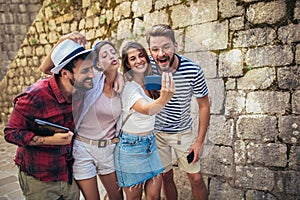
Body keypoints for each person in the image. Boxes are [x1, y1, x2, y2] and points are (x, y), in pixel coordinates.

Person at [4, 35, 95, 200]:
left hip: (67, 175)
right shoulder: (35, 95)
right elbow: (10, 133)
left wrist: (63, 41)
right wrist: (51, 140)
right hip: (39, 179)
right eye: (85, 71)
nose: (92, 75)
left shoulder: (82, 89)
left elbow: (47, 67)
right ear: (65, 73)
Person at [146, 24, 210, 200]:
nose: (161, 53)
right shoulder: (147, 67)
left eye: (166, 47)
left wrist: (199, 142)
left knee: (196, 177)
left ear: (176, 46)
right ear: (150, 51)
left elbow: (204, 105)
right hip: (156, 133)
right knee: (166, 176)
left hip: (183, 133)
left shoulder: (192, 70)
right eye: (155, 49)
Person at [114, 41, 175, 200]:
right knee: (134, 198)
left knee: (154, 196)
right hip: (131, 147)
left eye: (141, 56)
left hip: (150, 143)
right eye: (132, 58)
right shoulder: (129, 88)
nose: (139, 60)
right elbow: (147, 109)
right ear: (127, 64)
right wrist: (164, 98)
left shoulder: (150, 81)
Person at [71, 40, 124, 200]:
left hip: (108, 149)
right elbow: (52, 70)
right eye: (105, 55)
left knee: (117, 197)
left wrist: (120, 76)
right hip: (83, 149)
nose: (111, 56)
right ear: (98, 65)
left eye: (113, 52)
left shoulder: (124, 85)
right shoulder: (91, 81)